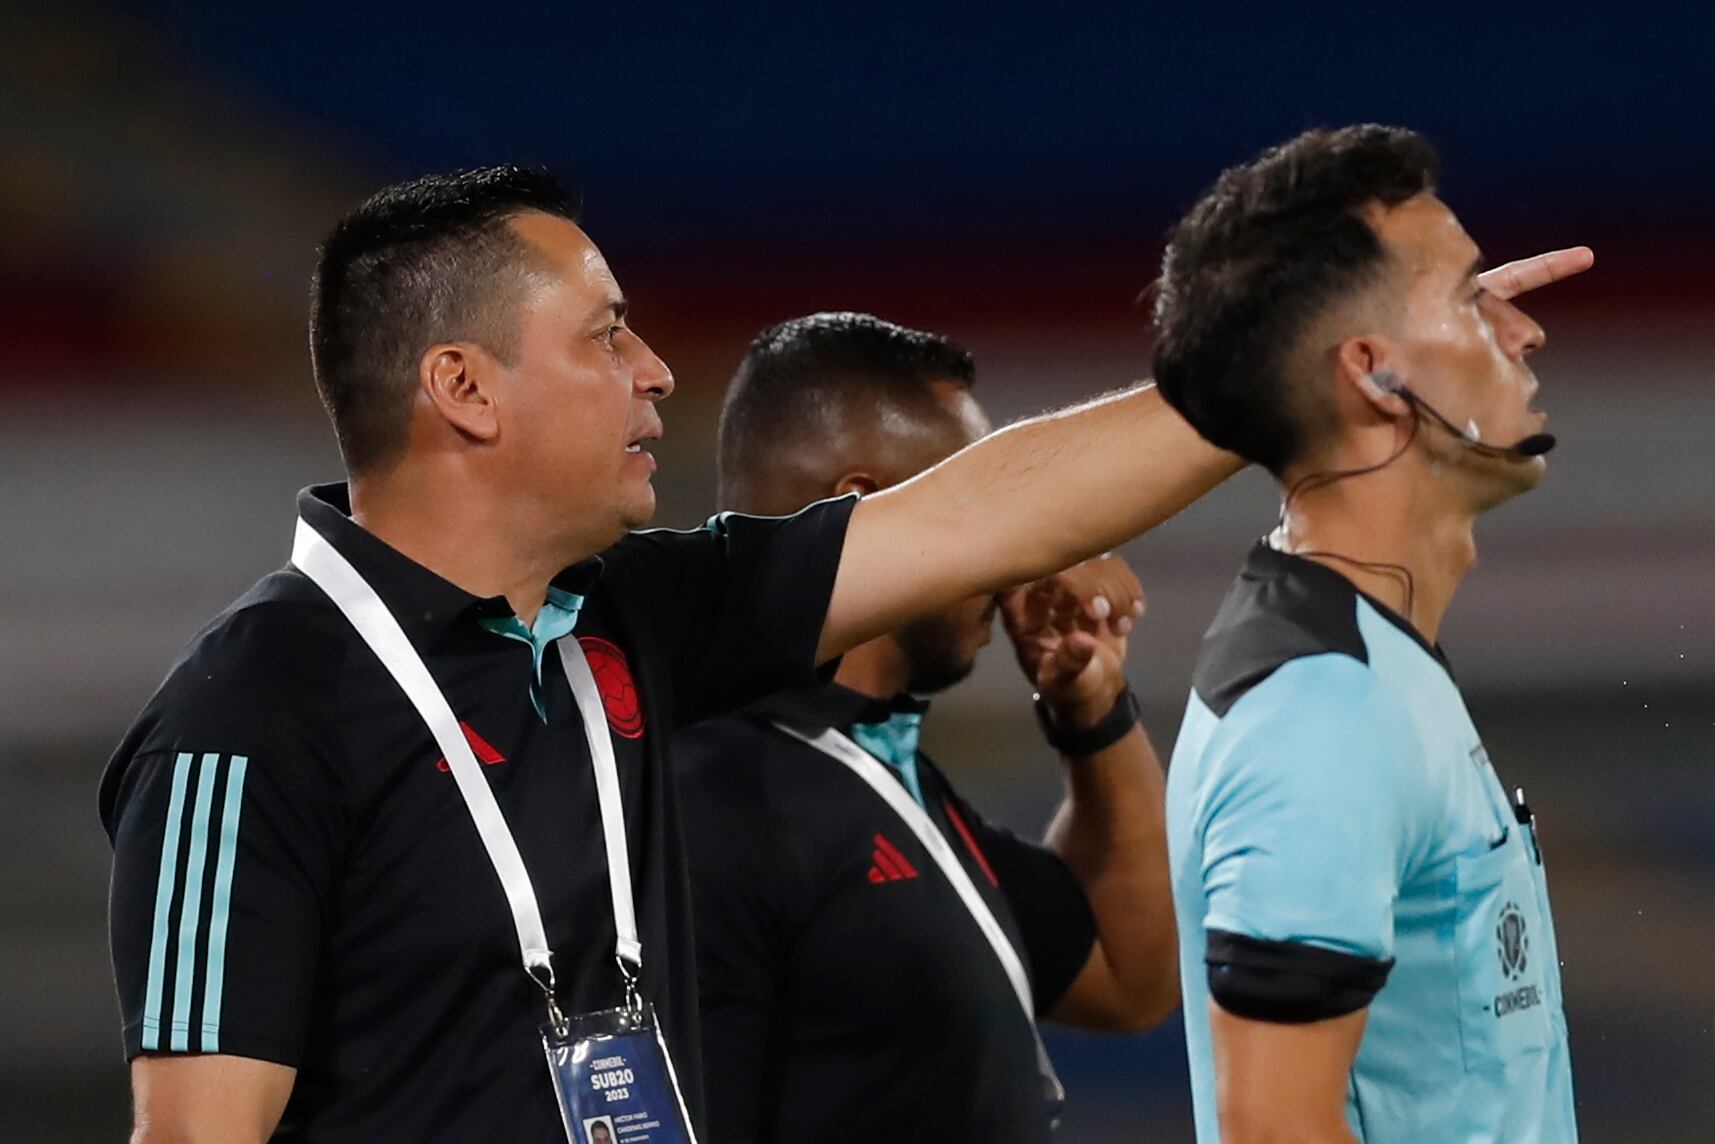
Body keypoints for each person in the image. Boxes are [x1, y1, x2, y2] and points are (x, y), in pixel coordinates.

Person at [98, 163, 1579, 1143]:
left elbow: (982, 514)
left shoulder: (621, 621)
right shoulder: (250, 712)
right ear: (463, 389)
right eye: (605, 337)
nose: (655, 372)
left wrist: (1312, 362)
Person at [1152, 125, 1592, 1142]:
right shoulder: (1316, 713)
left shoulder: (1360, 660)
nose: (1523, 331)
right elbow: (1275, 1130)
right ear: (1374, 374)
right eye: (1470, 298)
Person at [675, 313, 1179, 1144]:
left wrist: (1090, 710)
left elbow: (1134, 978)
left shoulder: (880, 766)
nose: (1013, 557)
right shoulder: (712, 796)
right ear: (862, 506)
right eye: (979, 509)